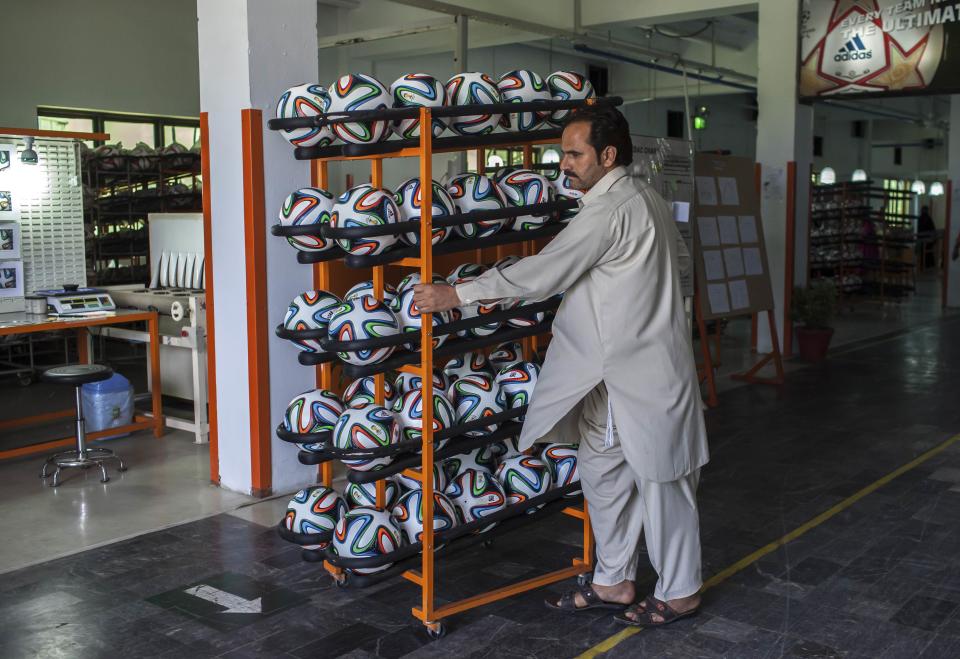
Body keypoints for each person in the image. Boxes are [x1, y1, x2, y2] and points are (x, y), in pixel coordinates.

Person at [413, 106, 709, 628]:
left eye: (574, 154)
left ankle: (680, 591)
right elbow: (680, 265)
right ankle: (613, 581)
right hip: (613, 373)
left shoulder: (611, 208)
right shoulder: (648, 200)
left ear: (608, 155)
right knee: (604, 473)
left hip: (637, 372)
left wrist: (456, 293)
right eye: (562, 153)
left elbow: (543, 272)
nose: (563, 164)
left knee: (662, 480)